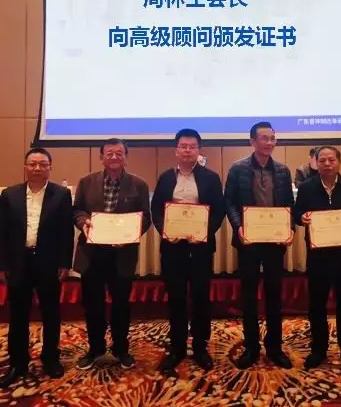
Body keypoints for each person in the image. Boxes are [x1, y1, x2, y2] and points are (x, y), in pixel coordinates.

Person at [0, 148, 74, 388]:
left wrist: (64, 262)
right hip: (19, 262)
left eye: (42, 164)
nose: (37, 168)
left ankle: (50, 358)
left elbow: (66, 232)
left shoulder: (61, 195)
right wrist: (1, 265)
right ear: (25, 167)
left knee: (51, 312)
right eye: (32, 164)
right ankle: (17, 362)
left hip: (48, 262)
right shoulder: (10, 194)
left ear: (50, 168)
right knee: (18, 314)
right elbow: (2, 233)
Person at [151, 129, 226, 373]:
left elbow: (219, 211)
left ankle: (201, 347)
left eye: (192, 146)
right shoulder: (165, 178)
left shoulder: (211, 178)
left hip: (200, 248)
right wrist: (166, 231)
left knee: (201, 297)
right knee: (176, 298)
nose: (187, 150)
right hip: (173, 248)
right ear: (176, 150)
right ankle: (177, 347)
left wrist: (203, 233)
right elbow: (156, 210)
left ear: (198, 150)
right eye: (183, 146)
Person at [73, 138, 152, 370]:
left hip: (122, 254)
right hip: (92, 253)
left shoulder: (139, 184)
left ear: (126, 157)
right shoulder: (86, 182)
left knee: (121, 304)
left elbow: (145, 217)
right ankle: (95, 348)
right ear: (101, 157)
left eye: (119, 153)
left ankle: (121, 349)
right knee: (92, 305)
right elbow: (77, 210)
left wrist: (130, 235)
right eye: (109, 153)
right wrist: (83, 223)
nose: (114, 157)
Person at [225, 121, 295, 369]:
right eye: (264, 138)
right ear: (252, 141)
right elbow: (229, 202)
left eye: (272, 138)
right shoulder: (238, 169)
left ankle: (275, 347)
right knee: (249, 295)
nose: (269, 142)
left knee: (275, 294)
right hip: (249, 241)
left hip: (275, 241)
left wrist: (290, 228)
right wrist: (238, 226)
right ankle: (251, 347)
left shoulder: (283, 171)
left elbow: (289, 205)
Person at [293, 145, 341, 371]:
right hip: (318, 256)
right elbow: (297, 213)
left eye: (331, 160)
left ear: (339, 162)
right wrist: (302, 218)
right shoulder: (306, 187)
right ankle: (318, 349)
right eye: (322, 160)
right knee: (317, 304)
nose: (327, 164)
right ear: (315, 163)